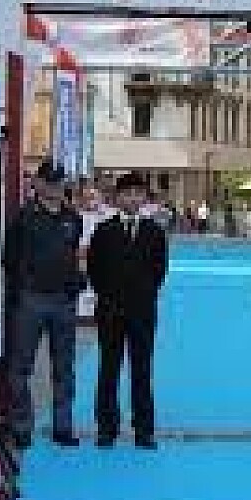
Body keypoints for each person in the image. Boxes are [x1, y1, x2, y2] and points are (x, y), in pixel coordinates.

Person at [3, 161, 84, 449]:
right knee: (20, 367)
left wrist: (76, 282)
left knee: (64, 368)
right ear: (37, 184)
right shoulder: (23, 218)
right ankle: (21, 425)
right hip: (32, 300)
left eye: (58, 181)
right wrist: (23, 288)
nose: (53, 187)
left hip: (64, 301)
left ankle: (63, 425)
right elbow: (9, 259)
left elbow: (74, 255)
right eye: (48, 181)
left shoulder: (73, 218)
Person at [86, 172, 169, 449]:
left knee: (141, 370)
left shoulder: (155, 232)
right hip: (110, 311)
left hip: (142, 312)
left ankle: (143, 430)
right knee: (108, 369)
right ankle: (106, 427)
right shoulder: (104, 230)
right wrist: (108, 297)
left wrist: (143, 296)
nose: (133, 198)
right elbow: (94, 269)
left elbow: (159, 270)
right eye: (127, 193)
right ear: (117, 197)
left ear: (144, 197)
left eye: (138, 193)